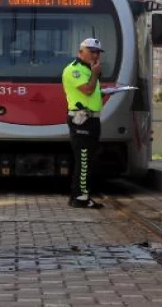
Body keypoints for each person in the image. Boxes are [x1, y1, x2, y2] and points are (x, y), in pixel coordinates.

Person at [62, 38, 105, 209]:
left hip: (92, 119)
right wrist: (95, 74)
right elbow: (87, 90)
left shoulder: (88, 69)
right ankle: (80, 197)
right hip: (81, 120)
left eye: (97, 52)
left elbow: (92, 92)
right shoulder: (74, 70)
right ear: (80, 52)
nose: (95, 55)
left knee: (88, 159)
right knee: (84, 159)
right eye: (91, 51)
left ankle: (81, 195)